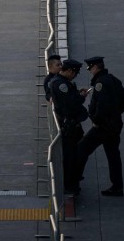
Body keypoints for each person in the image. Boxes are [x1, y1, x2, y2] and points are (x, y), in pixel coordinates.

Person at [76, 56, 124, 197]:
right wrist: (116, 114)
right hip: (114, 125)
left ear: (95, 67)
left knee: (82, 148)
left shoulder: (100, 84)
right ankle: (117, 186)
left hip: (103, 126)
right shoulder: (113, 79)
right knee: (113, 155)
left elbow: (102, 106)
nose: (90, 71)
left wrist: (97, 119)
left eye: (90, 68)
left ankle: (74, 180)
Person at [50, 59, 89, 195]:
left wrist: (78, 94)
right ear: (70, 71)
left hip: (72, 124)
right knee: (72, 155)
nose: (75, 76)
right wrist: (82, 97)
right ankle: (70, 183)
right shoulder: (61, 84)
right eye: (75, 73)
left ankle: (73, 179)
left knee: (75, 152)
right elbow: (70, 104)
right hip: (70, 125)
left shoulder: (61, 82)